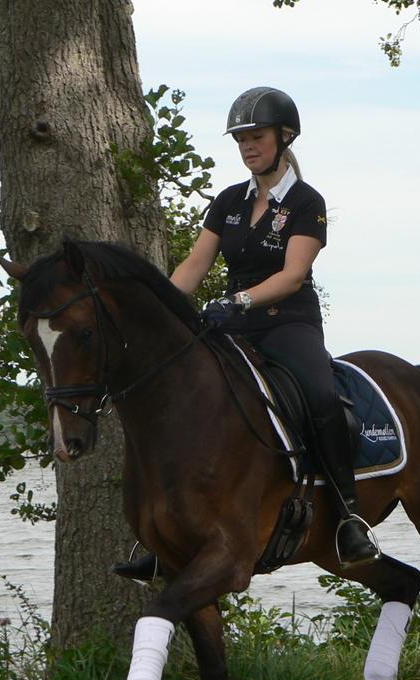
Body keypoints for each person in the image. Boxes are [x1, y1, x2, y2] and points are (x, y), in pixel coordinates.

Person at [113, 86, 379, 581]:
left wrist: (237, 300)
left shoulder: (305, 202)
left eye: (256, 137)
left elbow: (292, 274)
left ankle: (348, 517)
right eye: (241, 140)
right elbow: (195, 263)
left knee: (320, 395)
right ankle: (160, 533)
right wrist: (158, 312)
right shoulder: (229, 201)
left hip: (287, 322)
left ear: (284, 138)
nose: (247, 147)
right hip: (231, 327)